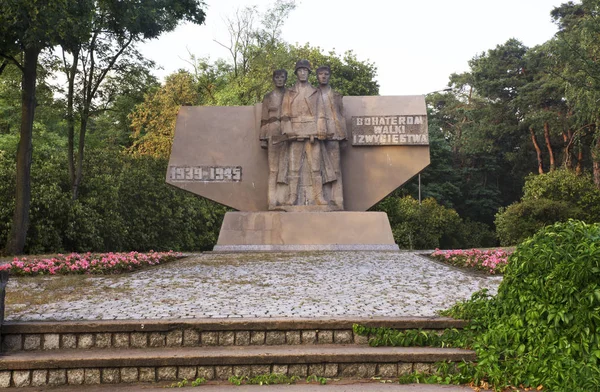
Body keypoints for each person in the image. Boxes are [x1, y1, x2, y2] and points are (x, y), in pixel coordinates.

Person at [280, 59, 329, 207]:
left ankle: (320, 198)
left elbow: (321, 113)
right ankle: (292, 197)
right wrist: (288, 131)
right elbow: (284, 114)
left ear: (308, 73)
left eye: (305, 71)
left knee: (315, 167)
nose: (302, 73)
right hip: (295, 133)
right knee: (294, 168)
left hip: (312, 131)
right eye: (300, 71)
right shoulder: (289, 93)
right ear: (296, 73)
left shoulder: (315, 92)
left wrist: (321, 129)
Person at [315, 65, 346, 209]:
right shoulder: (312, 94)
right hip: (316, 135)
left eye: (326, 74)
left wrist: (343, 136)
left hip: (334, 134)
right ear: (317, 76)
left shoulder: (336, 95)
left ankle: (337, 200)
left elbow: (341, 116)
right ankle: (319, 199)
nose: (323, 76)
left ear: (329, 76)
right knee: (317, 168)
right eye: (321, 74)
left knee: (336, 169)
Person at [260, 69, 288, 209]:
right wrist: (263, 138)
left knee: (285, 167)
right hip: (272, 130)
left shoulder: (289, 95)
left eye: (282, 77)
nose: (279, 80)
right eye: (277, 77)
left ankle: (283, 200)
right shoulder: (268, 97)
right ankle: (272, 201)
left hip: (286, 132)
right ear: (273, 79)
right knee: (273, 169)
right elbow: (264, 118)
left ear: (285, 79)